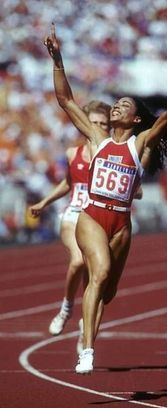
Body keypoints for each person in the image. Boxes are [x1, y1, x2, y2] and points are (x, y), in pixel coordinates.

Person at [44, 23, 167, 374]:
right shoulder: (96, 138)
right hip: (92, 214)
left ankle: (86, 328)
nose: (116, 107)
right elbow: (66, 100)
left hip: (121, 222)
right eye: (115, 104)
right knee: (97, 273)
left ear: (135, 119)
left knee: (106, 292)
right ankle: (87, 349)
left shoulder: (139, 143)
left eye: (123, 105)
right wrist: (57, 59)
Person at [29, 100, 111, 354]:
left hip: (97, 218)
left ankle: (85, 330)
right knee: (77, 261)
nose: (98, 127)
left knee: (94, 279)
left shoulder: (111, 155)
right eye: (94, 122)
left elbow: (131, 184)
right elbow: (68, 183)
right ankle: (66, 307)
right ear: (84, 123)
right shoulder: (72, 154)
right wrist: (44, 202)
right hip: (74, 213)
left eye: (103, 124)